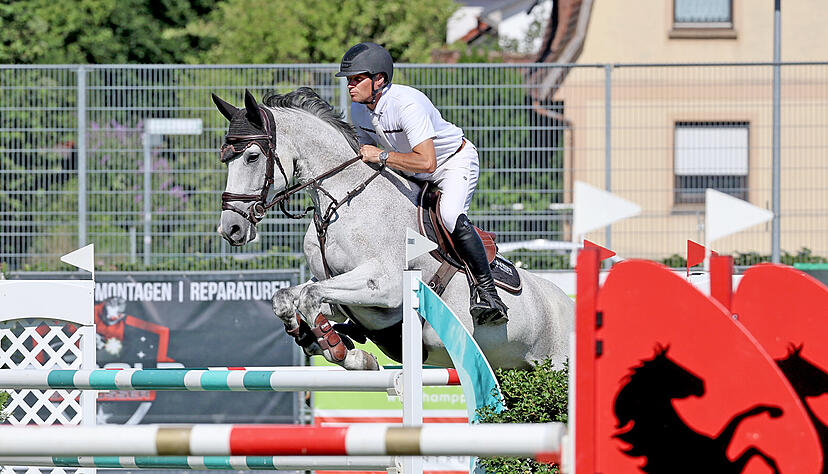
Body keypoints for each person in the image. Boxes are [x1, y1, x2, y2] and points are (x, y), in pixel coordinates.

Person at [335, 42, 508, 325]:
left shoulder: (407, 103)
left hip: (451, 164)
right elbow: (368, 157)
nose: (350, 86)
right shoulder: (359, 110)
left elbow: (427, 162)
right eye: (349, 81)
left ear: (379, 79)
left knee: (450, 216)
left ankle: (487, 293)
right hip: (412, 170)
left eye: (357, 79)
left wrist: (382, 155)